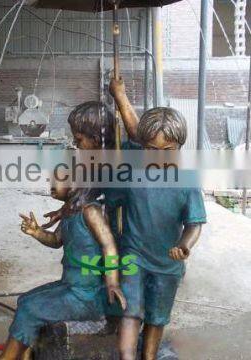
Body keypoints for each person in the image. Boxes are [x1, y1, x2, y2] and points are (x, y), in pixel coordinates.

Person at [106, 78, 207, 360]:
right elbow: (133, 129)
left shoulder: (186, 179)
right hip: (134, 254)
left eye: (168, 151)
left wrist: (184, 246)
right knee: (131, 308)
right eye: (152, 149)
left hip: (167, 260)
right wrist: (120, 97)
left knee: (157, 316)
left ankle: (149, 356)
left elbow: (195, 221)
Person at [0, 178, 126, 360]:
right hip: (70, 286)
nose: (51, 182)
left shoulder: (91, 211)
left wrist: (112, 283)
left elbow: (109, 245)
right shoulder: (70, 211)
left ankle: (7, 358)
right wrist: (37, 232)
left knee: (28, 309)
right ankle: (25, 354)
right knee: (25, 300)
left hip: (86, 295)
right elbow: (57, 240)